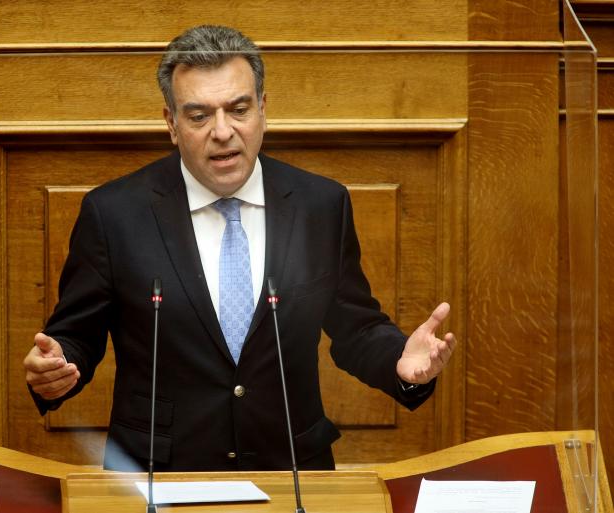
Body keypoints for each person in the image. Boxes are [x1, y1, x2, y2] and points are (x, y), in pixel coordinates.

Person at [24, 25, 457, 472]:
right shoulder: (113, 213)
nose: (222, 131)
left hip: (291, 472)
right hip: (160, 476)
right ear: (171, 123)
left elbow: (357, 329)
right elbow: (76, 336)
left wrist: (400, 361)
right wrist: (56, 368)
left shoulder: (320, 205)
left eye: (238, 109)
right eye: (199, 116)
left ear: (262, 110)